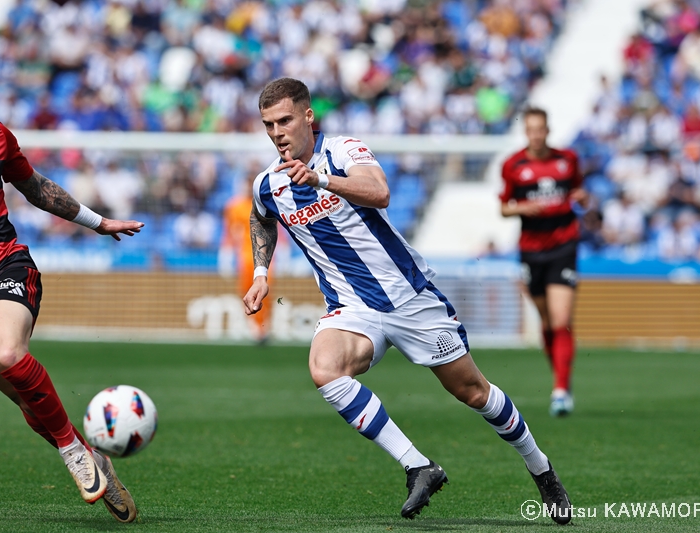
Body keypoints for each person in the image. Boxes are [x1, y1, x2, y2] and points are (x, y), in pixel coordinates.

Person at [243, 78, 573, 524]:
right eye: (268, 124)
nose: (277, 132)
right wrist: (262, 272)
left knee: (473, 392)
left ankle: (541, 467)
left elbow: (380, 192)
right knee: (324, 369)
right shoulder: (270, 183)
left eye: (284, 120)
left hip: (409, 298)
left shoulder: (343, 151)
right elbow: (261, 218)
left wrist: (321, 178)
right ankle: (419, 465)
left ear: (307, 116)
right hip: (352, 309)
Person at [0, 39, 139, 522]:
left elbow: (37, 188)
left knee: (8, 352)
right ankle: (92, 453)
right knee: (27, 400)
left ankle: (72, 451)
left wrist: (97, 222)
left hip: (4, 265)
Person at [499, 107, 586, 417]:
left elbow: (578, 190)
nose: (536, 135)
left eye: (541, 129)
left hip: (564, 244)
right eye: (531, 130)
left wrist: (583, 199)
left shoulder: (567, 160)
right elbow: (504, 207)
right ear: (527, 133)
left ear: (548, 130)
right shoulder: (513, 165)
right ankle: (560, 379)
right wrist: (523, 208)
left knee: (561, 319)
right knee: (547, 322)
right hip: (531, 250)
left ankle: (561, 389)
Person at [222, 171, 271, 342]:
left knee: (266, 290)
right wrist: (226, 254)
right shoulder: (234, 206)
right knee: (245, 289)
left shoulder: (265, 204)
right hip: (244, 256)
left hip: (265, 256)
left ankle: (264, 326)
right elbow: (228, 232)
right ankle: (253, 325)